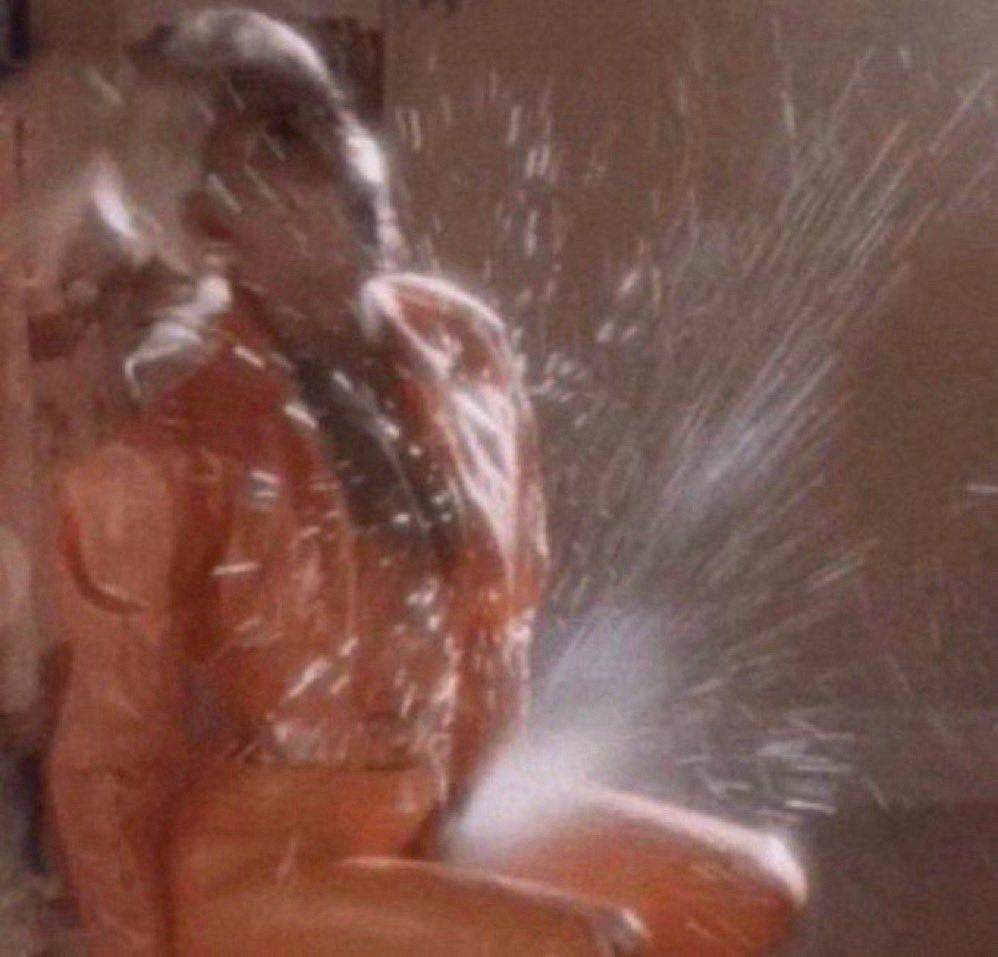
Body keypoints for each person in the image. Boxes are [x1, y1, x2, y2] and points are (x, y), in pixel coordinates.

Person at [38, 8, 804, 956]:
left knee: (750, 888)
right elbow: (109, 768)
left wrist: (480, 819)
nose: (351, 163)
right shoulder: (170, 452)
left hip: (438, 814)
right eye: (282, 143)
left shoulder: (464, 349)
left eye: (331, 117)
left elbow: (499, 627)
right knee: (584, 944)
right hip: (266, 864)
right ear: (211, 224)